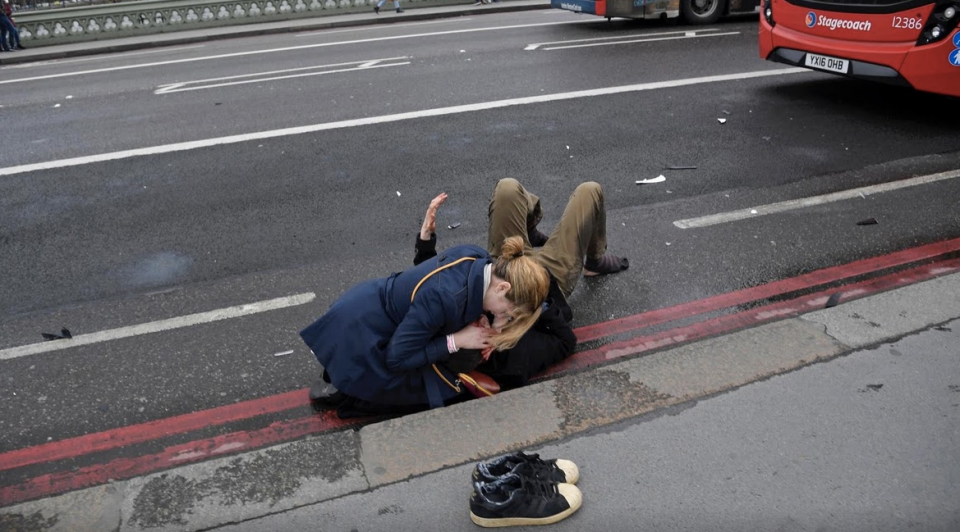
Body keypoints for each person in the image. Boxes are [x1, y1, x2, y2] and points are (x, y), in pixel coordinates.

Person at [300, 234, 551, 416]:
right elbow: (396, 359)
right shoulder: (444, 298)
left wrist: (488, 320)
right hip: (364, 336)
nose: (503, 319)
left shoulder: (480, 258)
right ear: (503, 287)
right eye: (507, 313)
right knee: (431, 392)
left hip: (369, 307)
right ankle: (343, 387)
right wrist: (457, 341)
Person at [414, 179, 628, 389]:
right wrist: (537, 303)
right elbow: (566, 341)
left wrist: (425, 240)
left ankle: (528, 232)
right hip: (547, 279)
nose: (480, 321)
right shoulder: (514, 361)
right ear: (486, 350)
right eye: (483, 329)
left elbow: (431, 285)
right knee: (590, 191)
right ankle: (594, 259)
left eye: (474, 325)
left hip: (507, 264)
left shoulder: (456, 319)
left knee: (507, 189)